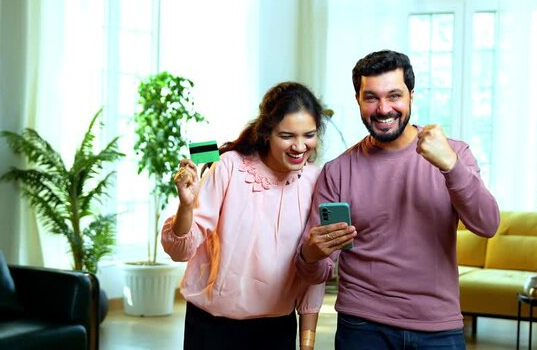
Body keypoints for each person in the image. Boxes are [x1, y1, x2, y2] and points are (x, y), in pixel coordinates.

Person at [295, 50, 500, 349]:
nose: (383, 108)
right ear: (358, 100)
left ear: (411, 96)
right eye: (371, 98)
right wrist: (310, 254)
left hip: (438, 326)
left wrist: (451, 166)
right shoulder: (337, 171)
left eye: (394, 96)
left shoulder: (453, 153)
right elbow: (319, 268)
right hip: (362, 326)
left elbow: (488, 224)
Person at [161, 82, 326, 350]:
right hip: (213, 328)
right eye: (286, 135)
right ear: (266, 133)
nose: (299, 146)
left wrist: (307, 342)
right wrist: (186, 206)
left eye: (309, 135)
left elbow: (314, 265)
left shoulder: (315, 181)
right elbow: (181, 251)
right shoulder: (229, 165)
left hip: (277, 330)